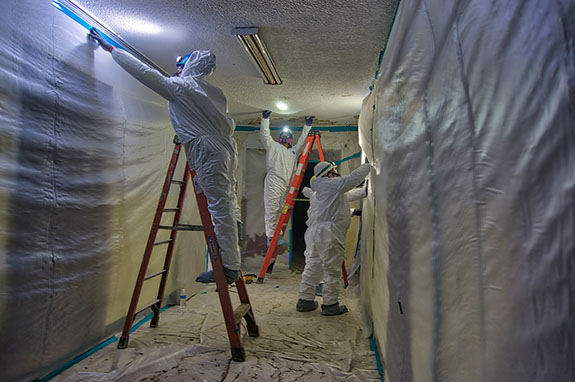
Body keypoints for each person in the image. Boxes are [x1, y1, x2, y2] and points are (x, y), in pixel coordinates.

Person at [88, 28, 241, 283]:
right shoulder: (212, 92)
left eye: (181, 64)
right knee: (227, 200)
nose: (177, 69)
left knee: (219, 206)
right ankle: (233, 246)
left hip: (207, 149)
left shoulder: (181, 87)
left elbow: (145, 74)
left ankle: (229, 267)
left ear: (190, 65)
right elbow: (200, 118)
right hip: (225, 147)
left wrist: (113, 50)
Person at [297, 161, 371, 315]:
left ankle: (305, 300)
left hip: (318, 234)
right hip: (329, 235)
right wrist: (369, 165)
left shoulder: (322, 190)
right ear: (327, 173)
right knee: (331, 270)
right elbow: (351, 180)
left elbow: (344, 197)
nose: (336, 173)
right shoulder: (329, 184)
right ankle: (330, 304)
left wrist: (364, 191)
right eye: (333, 170)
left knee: (313, 266)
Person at [260, 110, 314, 247]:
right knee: (272, 208)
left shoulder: (293, 151)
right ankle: (271, 237)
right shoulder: (273, 146)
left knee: (281, 210)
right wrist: (265, 119)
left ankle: (277, 235)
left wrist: (307, 126)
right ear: (280, 137)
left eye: (287, 135)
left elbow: (303, 141)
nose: (285, 137)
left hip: (287, 183)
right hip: (274, 181)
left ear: (290, 137)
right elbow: (265, 136)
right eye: (283, 135)